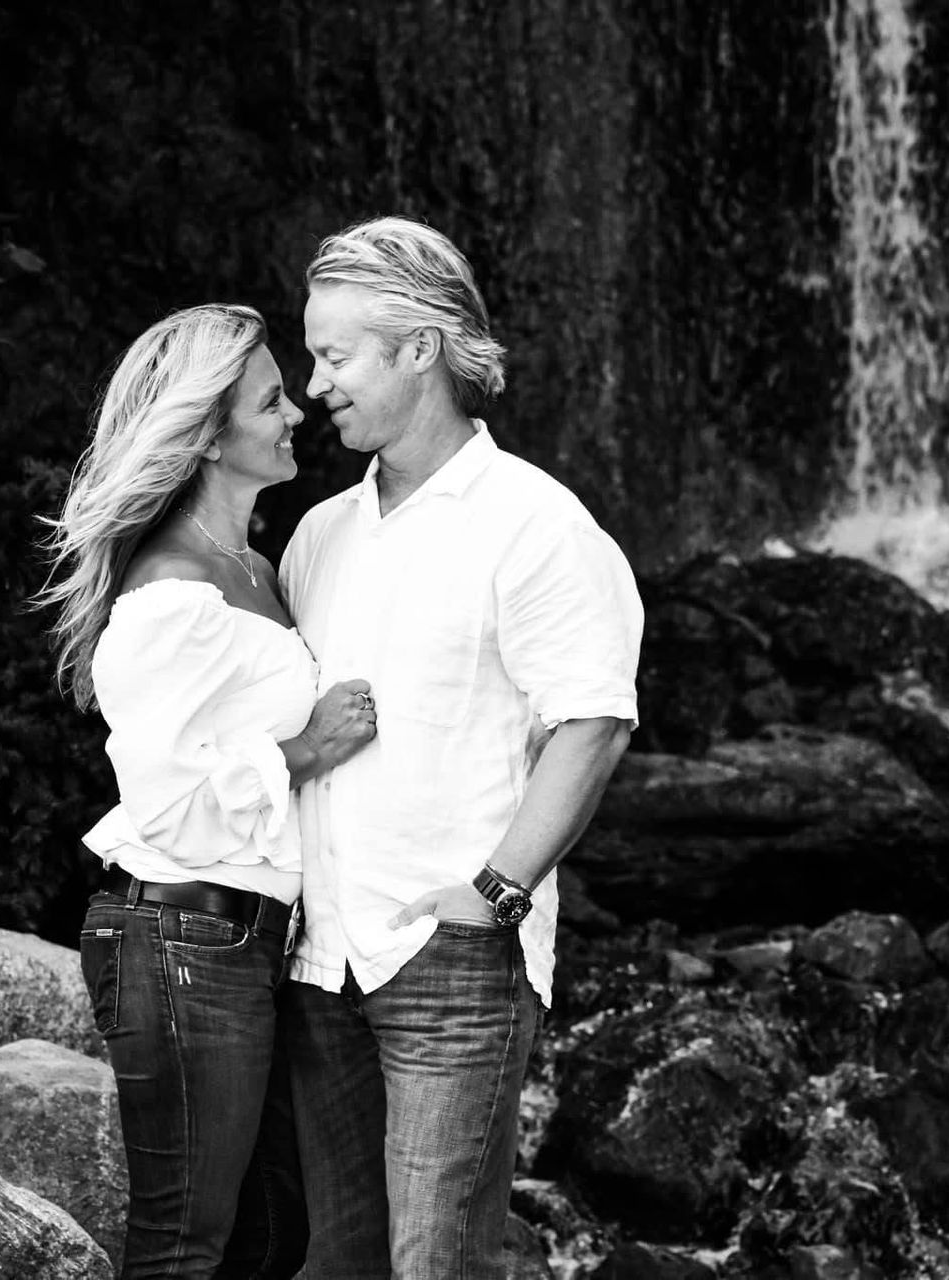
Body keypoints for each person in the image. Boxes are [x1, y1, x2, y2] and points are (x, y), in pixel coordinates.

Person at [278, 217, 645, 1278]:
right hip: (320, 959)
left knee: (439, 1260)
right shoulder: (319, 537)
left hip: (453, 959)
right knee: (337, 1263)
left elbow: (595, 718)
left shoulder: (536, 523)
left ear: (420, 348)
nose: (314, 385)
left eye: (337, 355)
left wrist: (496, 889)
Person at [37, 303, 379, 1280]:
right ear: (208, 434)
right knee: (184, 1245)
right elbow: (168, 797)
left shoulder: (256, 569)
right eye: (271, 399)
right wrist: (308, 749)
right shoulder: (171, 595)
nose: (295, 414)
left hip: (241, 941)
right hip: (180, 936)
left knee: (273, 1234)